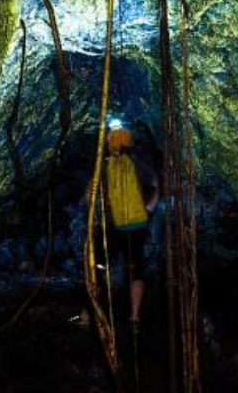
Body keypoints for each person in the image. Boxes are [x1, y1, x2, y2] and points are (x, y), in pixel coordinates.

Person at [102, 120, 160, 329]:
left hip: (115, 227)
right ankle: (134, 316)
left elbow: (89, 197)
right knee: (136, 269)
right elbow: (154, 183)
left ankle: (95, 311)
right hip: (138, 225)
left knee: (102, 265)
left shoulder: (104, 167)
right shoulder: (137, 162)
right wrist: (150, 209)